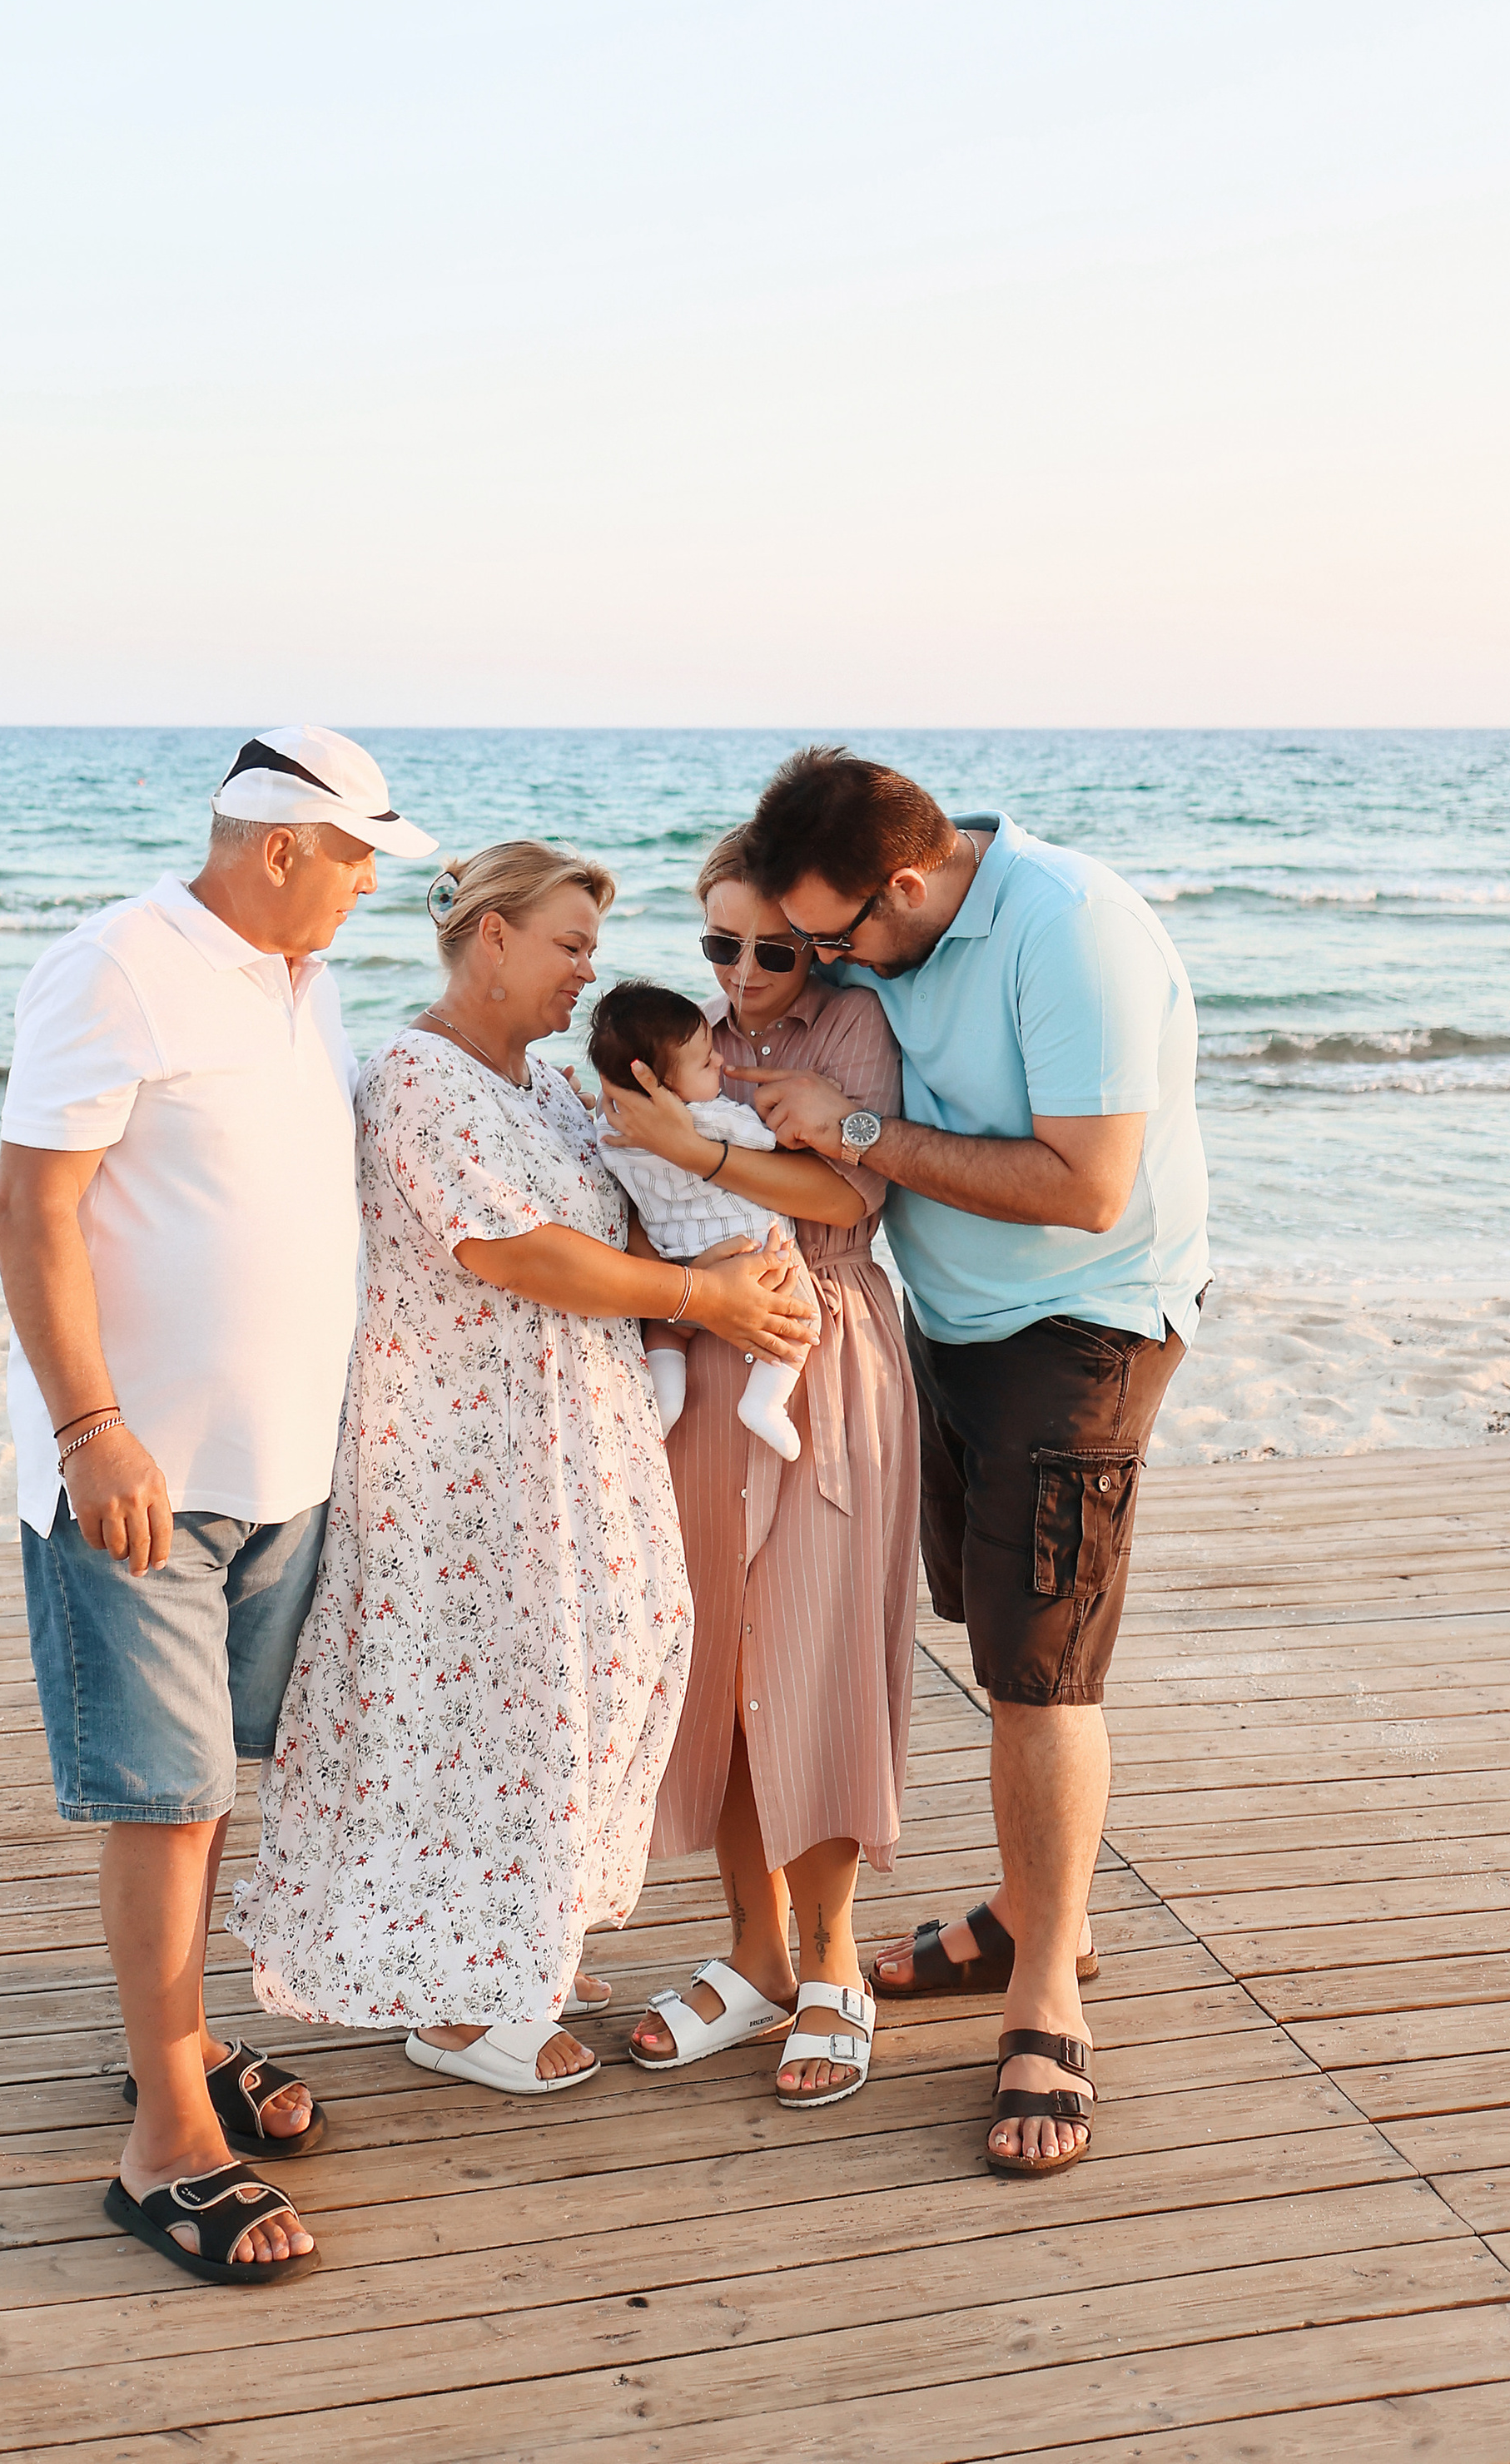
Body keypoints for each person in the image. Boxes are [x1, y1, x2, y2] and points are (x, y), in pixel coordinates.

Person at [228, 841, 814, 2100]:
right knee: (484, 1706)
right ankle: (455, 2004)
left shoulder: (548, 1088)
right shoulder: (413, 1077)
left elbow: (622, 1212)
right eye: (568, 945)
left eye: (592, 950)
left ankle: (510, 1934)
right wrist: (702, 1297)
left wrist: (741, 1245)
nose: (587, 974)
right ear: (488, 939)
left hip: (576, 1438)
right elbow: (515, 1250)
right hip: (463, 1457)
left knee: (591, 1674)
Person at [0, 723, 435, 2288]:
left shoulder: (302, 983)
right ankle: (168, 2138)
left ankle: (171, 2046)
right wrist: (91, 1428)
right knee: (164, 1799)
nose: (375, 884)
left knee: (208, 1793)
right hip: (145, 1478)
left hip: (280, 1472)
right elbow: (29, 1205)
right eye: (363, 856)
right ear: (281, 846)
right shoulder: (117, 965)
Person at [731, 748, 1209, 2180]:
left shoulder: (1074, 931)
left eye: (839, 938)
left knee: (1040, 1671)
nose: (827, 966)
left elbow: (1086, 1188)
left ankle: (1047, 1993)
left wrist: (859, 1129)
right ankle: (1021, 1905)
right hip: (948, 1324)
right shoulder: (878, 916)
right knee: (987, 1632)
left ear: (912, 882)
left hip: (1084, 1326)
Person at [600, 827, 918, 2110]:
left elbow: (854, 1199)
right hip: (699, 1353)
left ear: (818, 939)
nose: (741, 972)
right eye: (718, 944)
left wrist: (693, 1153)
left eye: (769, 948)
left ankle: (835, 1960)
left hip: (821, 1346)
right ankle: (754, 1947)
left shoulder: (852, 1032)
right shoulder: (678, 1037)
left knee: (816, 1650)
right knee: (721, 1659)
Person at [588, 979, 820, 1460]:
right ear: (665, 1086)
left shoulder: (610, 1126)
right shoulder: (711, 1120)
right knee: (801, 1313)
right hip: (748, 1248)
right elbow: (768, 1144)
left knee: (670, 1329)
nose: (719, 1062)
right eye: (705, 1059)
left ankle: (665, 1402)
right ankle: (764, 1402)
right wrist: (773, 1115)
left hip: (674, 1261)